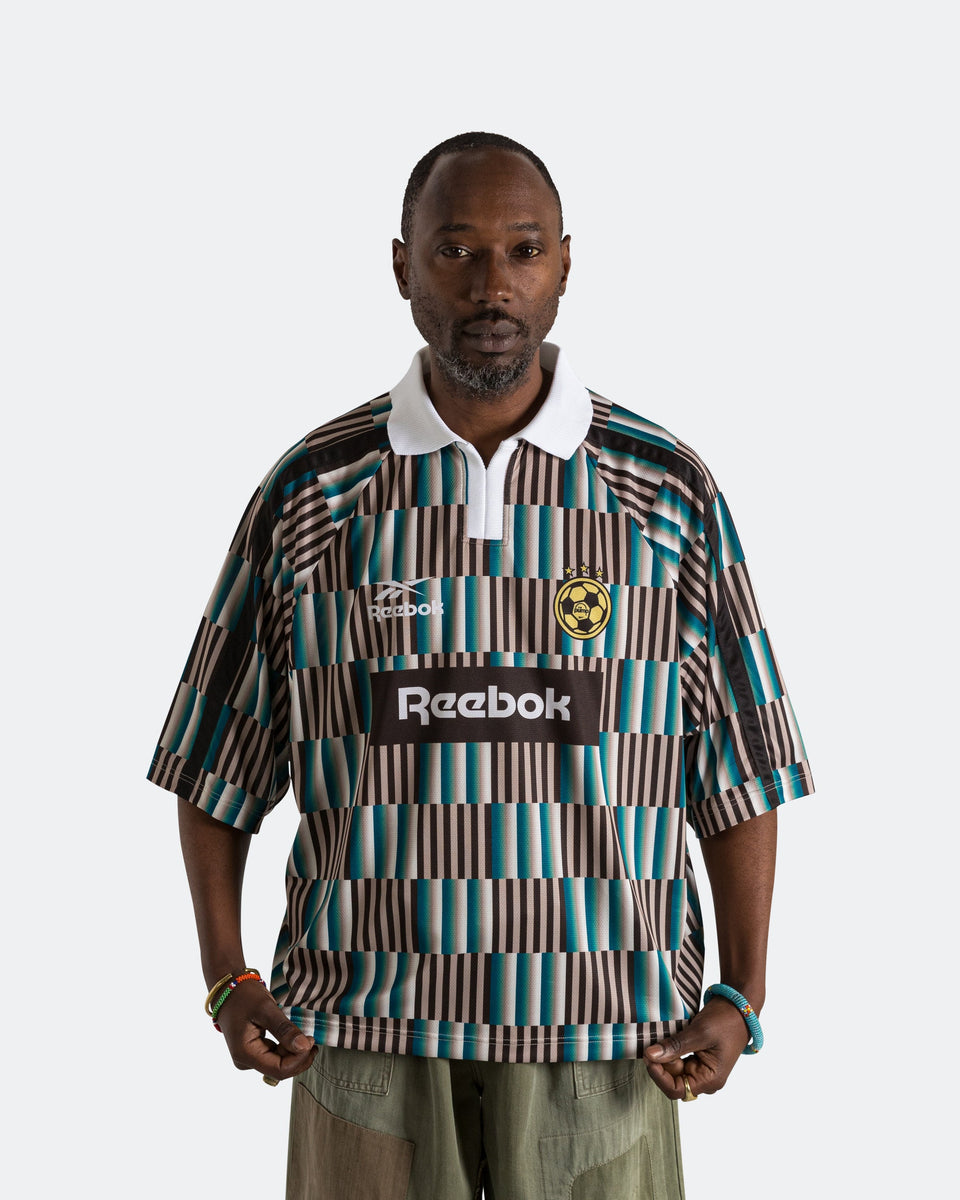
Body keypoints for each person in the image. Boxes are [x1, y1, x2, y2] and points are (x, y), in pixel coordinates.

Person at [148, 131, 814, 1199]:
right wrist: (225, 977)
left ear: (565, 265)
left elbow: (740, 768)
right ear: (401, 266)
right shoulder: (315, 494)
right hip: (365, 1036)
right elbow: (213, 761)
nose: (492, 283)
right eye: (455, 250)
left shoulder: (664, 493)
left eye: (523, 249)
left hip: (608, 1037)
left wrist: (743, 993)